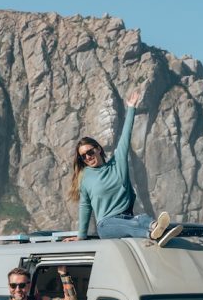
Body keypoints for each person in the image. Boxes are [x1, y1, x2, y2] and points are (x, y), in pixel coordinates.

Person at [68, 88, 181, 245]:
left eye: (90, 152)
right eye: (83, 156)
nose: (88, 157)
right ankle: (153, 234)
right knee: (132, 224)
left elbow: (125, 138)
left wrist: (131, 108)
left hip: (127, 217)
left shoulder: (117, 164)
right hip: (106, 225)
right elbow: (85, 206)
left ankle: (156, 228)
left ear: (98, 149)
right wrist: (81, 235)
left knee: (141, 218)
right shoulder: (85, 177)